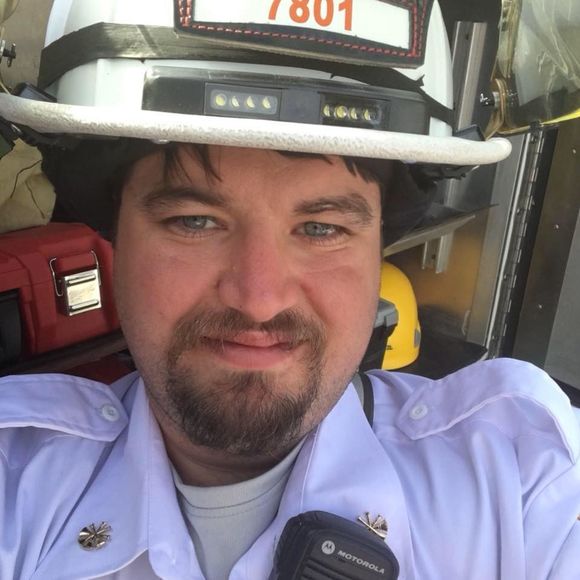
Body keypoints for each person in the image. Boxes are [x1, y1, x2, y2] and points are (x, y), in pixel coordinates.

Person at [0, 1, 578, 578]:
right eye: (195, 221)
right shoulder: (15, 476)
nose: (259, 298)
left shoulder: (522, 477)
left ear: (379, 247)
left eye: (322, 229)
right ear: (114, 240)